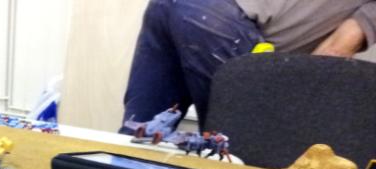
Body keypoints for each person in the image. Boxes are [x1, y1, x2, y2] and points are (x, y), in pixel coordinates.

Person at [121, 0, 376, 132]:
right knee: (237, 155)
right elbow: (332, 54)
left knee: (138, 136)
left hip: (174, 6)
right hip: (217, 20)